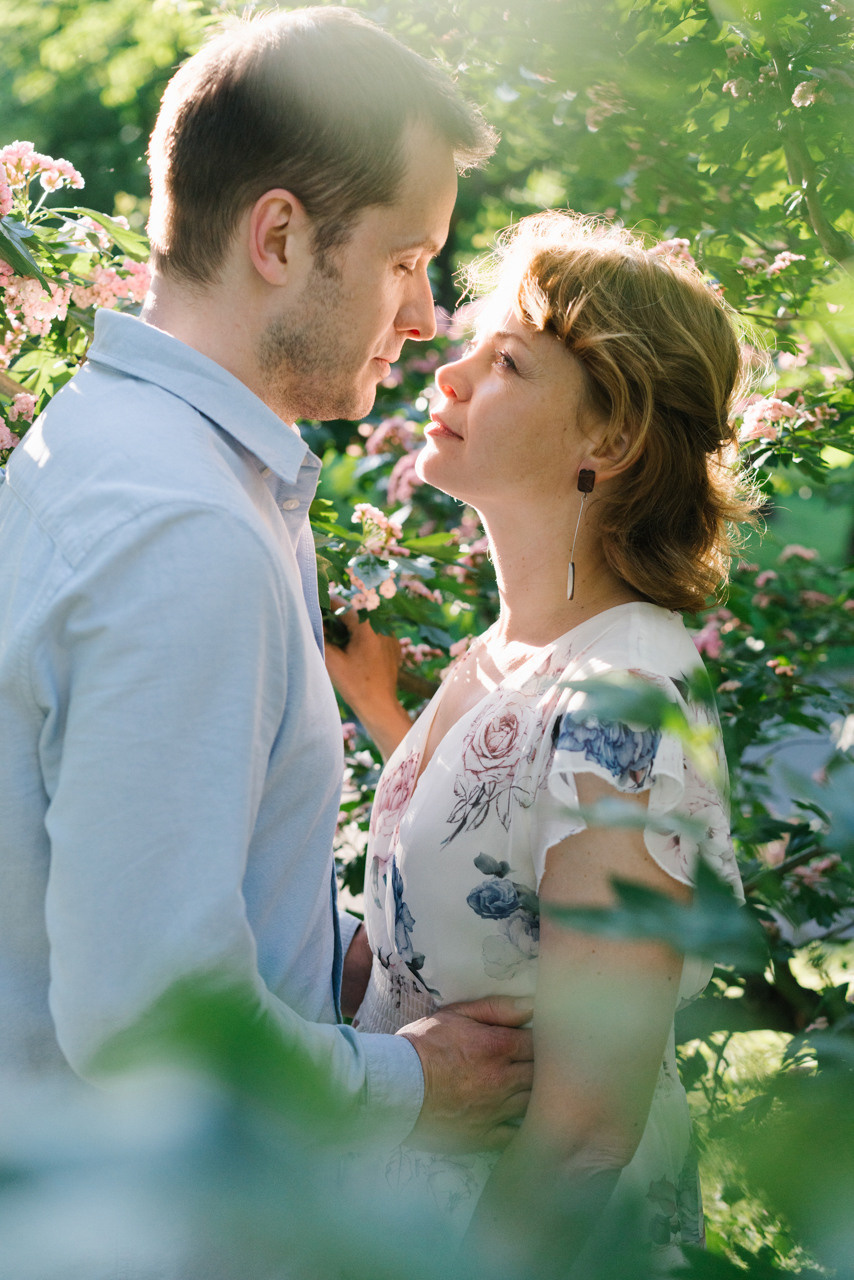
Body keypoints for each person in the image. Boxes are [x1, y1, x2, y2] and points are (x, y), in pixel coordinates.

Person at [0, 6, 534, 1162]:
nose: (423, 315)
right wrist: (411, 1083)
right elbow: (151, 1020)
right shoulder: (178, 527)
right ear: (280, 237)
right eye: (404, 260)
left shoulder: (134, 451)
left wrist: (334, 942)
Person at [326, 211, 755, 1267]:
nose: (450, 371)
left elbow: (584, 1133)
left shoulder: (620, 698)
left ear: (607, 440)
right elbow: (492, 880)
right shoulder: (503, 657)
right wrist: (389, 717)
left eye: (506, 360)